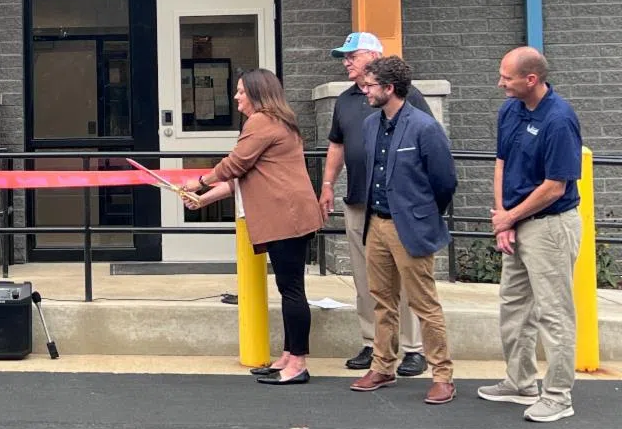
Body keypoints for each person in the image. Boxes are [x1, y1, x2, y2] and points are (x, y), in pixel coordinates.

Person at [183, 69, 325, 386]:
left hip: (287, 217)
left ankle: (297, 364)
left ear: (258, 94)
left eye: (241, 91)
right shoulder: (277, 122)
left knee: (292, 290)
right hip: (290, 216)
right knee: (289, 288)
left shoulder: (261, 121)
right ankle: (288, 356)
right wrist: (203, 199)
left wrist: (201, 181)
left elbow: (234, 164)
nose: (236, 97)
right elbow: (242, 176)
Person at [478, 47, 582, 423]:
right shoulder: (510, 110)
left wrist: (510, 217)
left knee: (553, 312)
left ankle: (558, 396)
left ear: (531, 79)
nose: (500, 83)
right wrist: (503, 219)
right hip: (516, 221)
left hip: (550, 225)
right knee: (514, 305)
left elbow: (555, 186)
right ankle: (520, 382)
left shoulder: (559, 119)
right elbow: (501, 163)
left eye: (507, 78)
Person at [319, 31, 433, 376]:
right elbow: (337, 145)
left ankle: (413, 348)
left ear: (373, 56)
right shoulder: (344, 100)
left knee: (405, 275)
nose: (346, 62)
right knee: (365, 276)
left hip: (399, 204)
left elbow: (430, 143)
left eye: (351, 56)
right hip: (359, 201)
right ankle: (373, 343)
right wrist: (327, 184)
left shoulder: (406, 95)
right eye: (344, 57)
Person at [348, 56, 458, 404]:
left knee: (424, 303)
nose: (365, 91)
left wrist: (422, 215)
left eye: (370, 86)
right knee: (382, 301)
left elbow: (445, 181)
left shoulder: (424, 127)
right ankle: (383, 366)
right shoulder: (371, 125)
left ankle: (442, 375)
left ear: (389, 88)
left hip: (410, 226)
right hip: (376, 223)